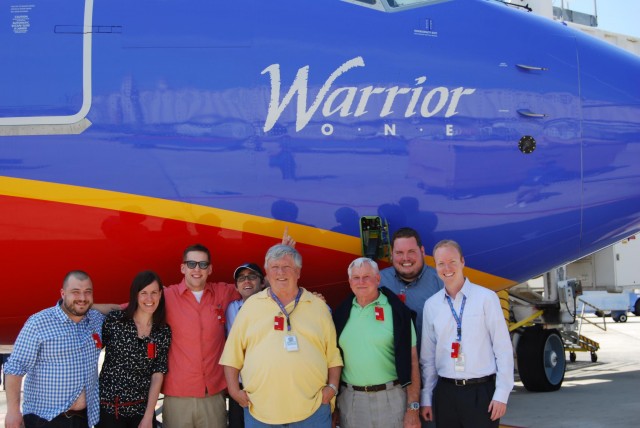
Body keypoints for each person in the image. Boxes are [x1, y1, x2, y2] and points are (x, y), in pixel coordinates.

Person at [220, 244, 343, 427]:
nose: (280, 273)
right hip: (261, 412)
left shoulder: (318, 307)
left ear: (298, 272)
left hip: (313, 411)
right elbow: (232, 355)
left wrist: (332, 388)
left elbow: (332, 355)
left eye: (287, 267)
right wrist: (234, 391)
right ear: (267, 274)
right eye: (274, 268)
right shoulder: (250, 307)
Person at [419, 240, 514, 427]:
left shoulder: (486, 298)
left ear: (462, 261)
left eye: (452, 261)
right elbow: (428, 357)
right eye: (441, 263)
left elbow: (503, 348)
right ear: (435, 266)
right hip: (445, 393)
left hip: (481, 393)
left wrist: (502, 394)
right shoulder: (431, 305)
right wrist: (427, 397)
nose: (447, 268)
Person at [4, 271, 105, 428]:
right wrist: (13, 412)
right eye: (75, 292)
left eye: (88, 292)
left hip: (84, 419)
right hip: (46, 419)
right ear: (63, 293)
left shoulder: (96, 320)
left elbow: (118, 310)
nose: (83, 297)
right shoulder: (39, 323)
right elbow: (15, 368)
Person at [333, 258, 421, 428]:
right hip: (351, 400)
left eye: (366, 276)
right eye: (356, 278)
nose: (361, 282)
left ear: (378, 279)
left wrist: (413, 408)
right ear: (350, 282)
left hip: (392, 399)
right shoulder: (340, 314)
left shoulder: (398, 313)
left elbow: (412, 361)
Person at [161, 243, 241, 428]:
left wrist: (281, 260)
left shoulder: (223, 292)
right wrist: (88, 307)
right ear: (183, 267)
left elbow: (254, 287)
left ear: (210, 269)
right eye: (191, 264)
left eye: (203, 265)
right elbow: (132, 307)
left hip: (212, 396)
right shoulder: (167, 296)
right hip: (178, 396)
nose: (197, 269)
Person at [98, 270, 171, 428]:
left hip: (141, 412)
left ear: (160, 294)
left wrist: (148, 416)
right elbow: (91, 352)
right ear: (135, 295)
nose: (149, 299)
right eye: (143, 293)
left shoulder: (162, 331)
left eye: (154, 293)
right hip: (109, 411)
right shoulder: (115, 321)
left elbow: (157, 375)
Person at [380, 227, 443, 351]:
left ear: (422, 251)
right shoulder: (379, 280)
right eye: (399, 253)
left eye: (411, 251)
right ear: (392, 254)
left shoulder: (440, 282)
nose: (406, 258)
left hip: (429, 364)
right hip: (390, 364)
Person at [225, 262, 267, 428]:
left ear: (263, 282)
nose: (247, 281)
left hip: (265, 385)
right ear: (236, 286)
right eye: (242, 278)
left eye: (252, 277)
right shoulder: (231, 309)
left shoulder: (273, 307)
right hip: (240, 387)